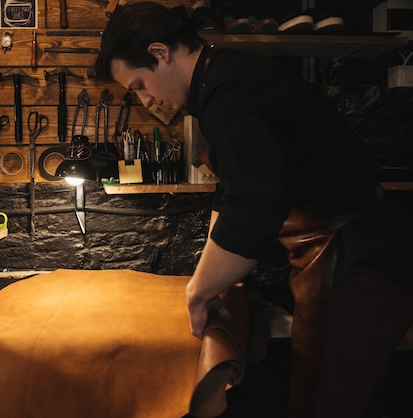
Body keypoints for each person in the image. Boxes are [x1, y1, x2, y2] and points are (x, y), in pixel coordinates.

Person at [94, 2, 413, 418]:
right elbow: (230, 196)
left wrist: (199, 292)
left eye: (138, 85)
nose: (146, 98)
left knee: (329, 402)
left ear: (160, 53)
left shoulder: (231, 92)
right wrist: (208, 277)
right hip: (338, 253)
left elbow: (252, 210)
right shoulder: (219, 84)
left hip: (363, 258)